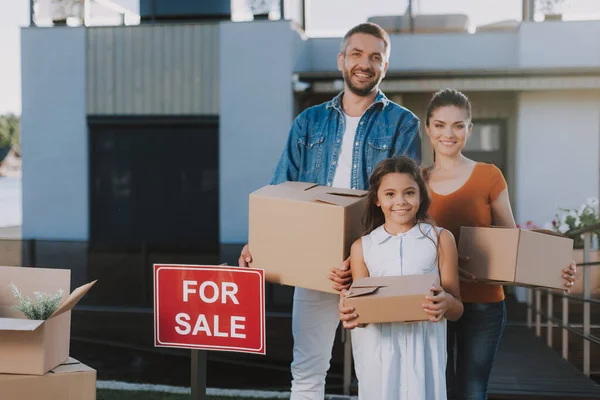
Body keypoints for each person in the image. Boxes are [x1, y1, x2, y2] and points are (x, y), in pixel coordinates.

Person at [238, 22, 421, 399]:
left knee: (376, 375)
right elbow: (280, 189)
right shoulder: (309, 122)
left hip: (376, 265)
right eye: (356, 54)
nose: (365, 64)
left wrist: (358, 258)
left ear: (384, 67)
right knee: (307, 369)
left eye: (375, 57)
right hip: (314, 265)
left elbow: (404, 202)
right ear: (341, 60)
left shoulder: (403, 123)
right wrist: (259, 242)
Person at [422, 88, 577, 400]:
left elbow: (511, 239)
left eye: (457, 125)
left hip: (484, 303)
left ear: (469, 129)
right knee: (436, 389)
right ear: (427, 128)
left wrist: (555, 266)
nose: (448, 134)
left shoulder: (489, 176)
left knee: (471, 391)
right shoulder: (416, 181)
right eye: (439, 125)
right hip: (433, 299)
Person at [339, 156, 463, 400]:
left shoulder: (440, 239)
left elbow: (457, 308)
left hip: (424, 354)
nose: (401, 202)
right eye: (390, 194)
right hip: (379, 355)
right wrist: (349, 311)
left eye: (409, 192)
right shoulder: (362, 247)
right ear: (376, 199)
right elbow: (359, 312)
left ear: (421, 195)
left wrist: (445, 303)